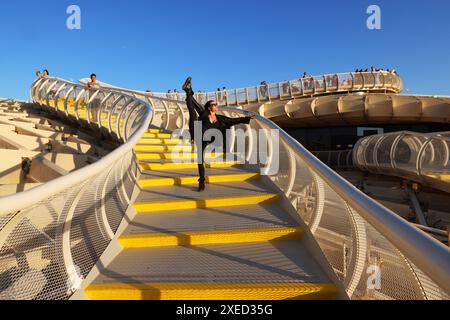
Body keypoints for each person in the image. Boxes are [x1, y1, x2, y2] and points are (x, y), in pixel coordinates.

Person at [182, 77, 255, 192]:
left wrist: (246, 118)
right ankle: (202, 182)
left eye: (216, 104)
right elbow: (195, 104)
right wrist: (190, 96)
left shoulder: (220, 119)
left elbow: (232, 121)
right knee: (192, 112)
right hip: (197, 134)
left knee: (201, 159)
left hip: (209, 139)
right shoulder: (204, 113)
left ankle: (188, 90)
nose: (216, 105)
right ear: (209, 107)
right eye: (214, 104)